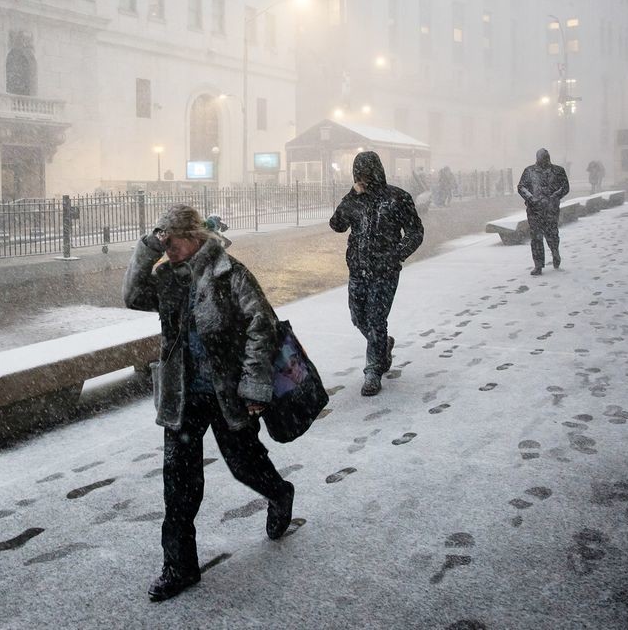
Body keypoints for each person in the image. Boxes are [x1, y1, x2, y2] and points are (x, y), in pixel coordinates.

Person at [123, 204, 295, 602]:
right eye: (162, 243)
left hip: (227, 393)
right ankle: (179, 567)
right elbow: (132, 296)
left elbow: (260, 324)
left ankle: (279, 493)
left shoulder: (228, 273)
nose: (168, 250)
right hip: (182, 396)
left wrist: (254, 385)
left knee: (244, 463)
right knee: (179, 485)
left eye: (172, 241)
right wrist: (148, 247)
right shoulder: (166, 277)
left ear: (194, 236)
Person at [330, 151, 424, 396]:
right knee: (358, 317)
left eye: (365, 172)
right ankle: (383, 347)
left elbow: (415, 232)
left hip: (385, 272)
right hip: (358, 270)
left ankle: (373, 370)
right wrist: (352, 195)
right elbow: (337, 225)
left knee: (375, 319)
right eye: (357, 173)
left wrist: (397, 254)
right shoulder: (355, 199)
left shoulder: (397, 198)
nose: (361, 177)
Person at [517, 148, 570, 276]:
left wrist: (554, 197)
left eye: (545, 158)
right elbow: (521, 187)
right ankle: (538, 265)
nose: (543, 161)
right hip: (534, 210)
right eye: (541, 158)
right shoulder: (529, 171)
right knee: (536, 237)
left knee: (552, 234)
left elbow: (565, 187)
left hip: (550, 209)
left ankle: (555, 252)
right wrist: (531, 197)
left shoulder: (558, 171)